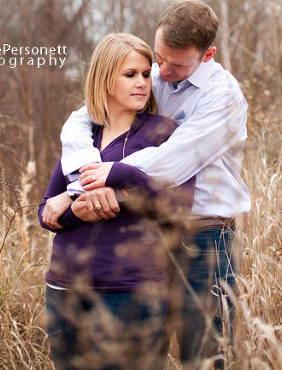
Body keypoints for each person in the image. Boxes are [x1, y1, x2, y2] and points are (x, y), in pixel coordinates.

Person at [40, 0, 250, 370]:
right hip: (150, 235)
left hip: (204, 237)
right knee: (146, 350)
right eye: (158, 57)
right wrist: (87, 172)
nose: (161, 72)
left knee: (204, 354)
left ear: (207, 55)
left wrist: (84, 187)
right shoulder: (152, 74)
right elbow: (85, 114)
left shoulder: (224, 97)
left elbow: (170, 164)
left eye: (176, 64)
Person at [38, 33, 194, 370]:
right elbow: (47, 212)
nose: (142, 83)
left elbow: (181, 207)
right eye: (130, 74)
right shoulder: (82, 137)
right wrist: (79, 208)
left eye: (145, 74)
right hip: (65, 290)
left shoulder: (162, 133)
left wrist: (122, 179)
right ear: (105, 79)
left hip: (131, 291)